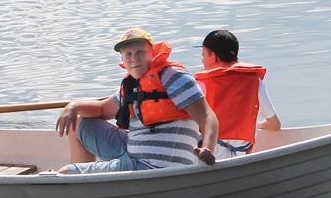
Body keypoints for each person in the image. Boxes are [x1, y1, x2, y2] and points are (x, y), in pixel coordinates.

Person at [55, 27, 218, 173]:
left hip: (153, 166)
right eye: (128, 54)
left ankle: (80, 184)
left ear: (152, 53)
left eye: (140, 52)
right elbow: (103, 109)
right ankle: (87, 187)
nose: (134, 59)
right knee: (79, 124)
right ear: (123, 60)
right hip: (133, 152)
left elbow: (207, 117)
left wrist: (207, 148)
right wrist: (73, 106)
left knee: (64, 173)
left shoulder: (173, 77)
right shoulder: (131, 83)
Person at [195, 29, 280, 159]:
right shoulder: (254, 81)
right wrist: (254, 126)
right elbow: (275, 125)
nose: (202, 61)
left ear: (213, 56)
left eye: (203, 55)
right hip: (241, 155)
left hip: (208, 156)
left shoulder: (202, 84)